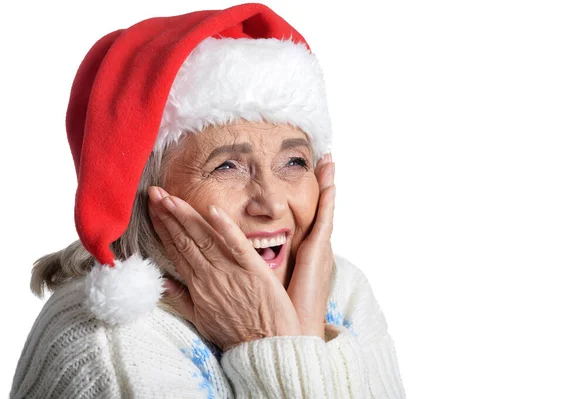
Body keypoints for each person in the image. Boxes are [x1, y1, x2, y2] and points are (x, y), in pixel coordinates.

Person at [10, 3, 406, 398]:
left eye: (294, 161)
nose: (271, 203)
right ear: (145, 192)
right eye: (227, 167)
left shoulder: (343, 291)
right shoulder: (110, 349)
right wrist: (269, 342)